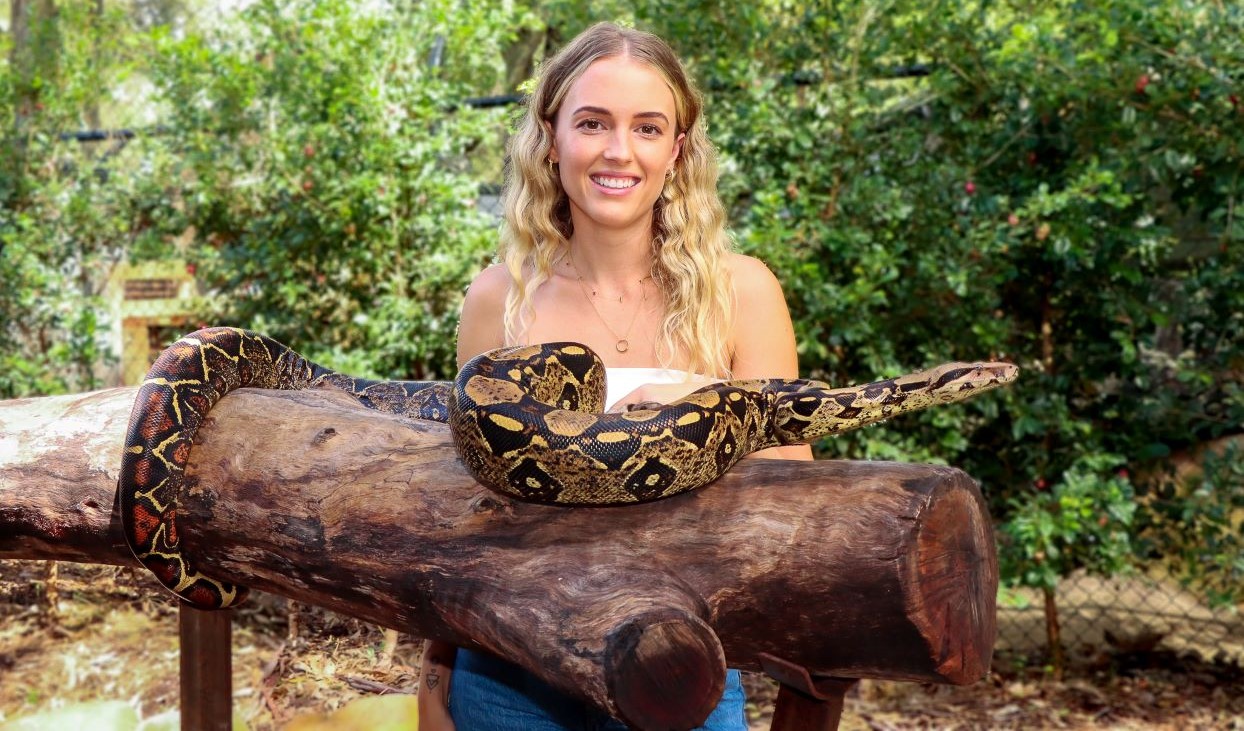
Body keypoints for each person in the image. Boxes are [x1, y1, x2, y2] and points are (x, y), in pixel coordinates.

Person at [418, 21, 812, 731]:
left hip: (685, 669)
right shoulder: (496, 298)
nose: (618, 151)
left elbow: (790, 507)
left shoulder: (743, 293)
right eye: (593, 122)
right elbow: (467, 506)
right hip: (509, 675)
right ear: (551, 136)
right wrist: (433, 675)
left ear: (677, 149)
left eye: (648, 127)